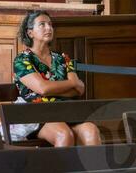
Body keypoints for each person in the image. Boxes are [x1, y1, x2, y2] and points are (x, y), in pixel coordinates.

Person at [12, 9, 102, 147]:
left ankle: (92, 168)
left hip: (66, 111)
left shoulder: (62, 58)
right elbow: (43, 89)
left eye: (50, 24)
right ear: (30, 33)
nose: (48, 28)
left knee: (91, 131)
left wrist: (65, 86)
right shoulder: (22, 60)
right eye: (42, 24)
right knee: (64, 134)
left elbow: (78, 89)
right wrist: (70, 83)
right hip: (37, 114)